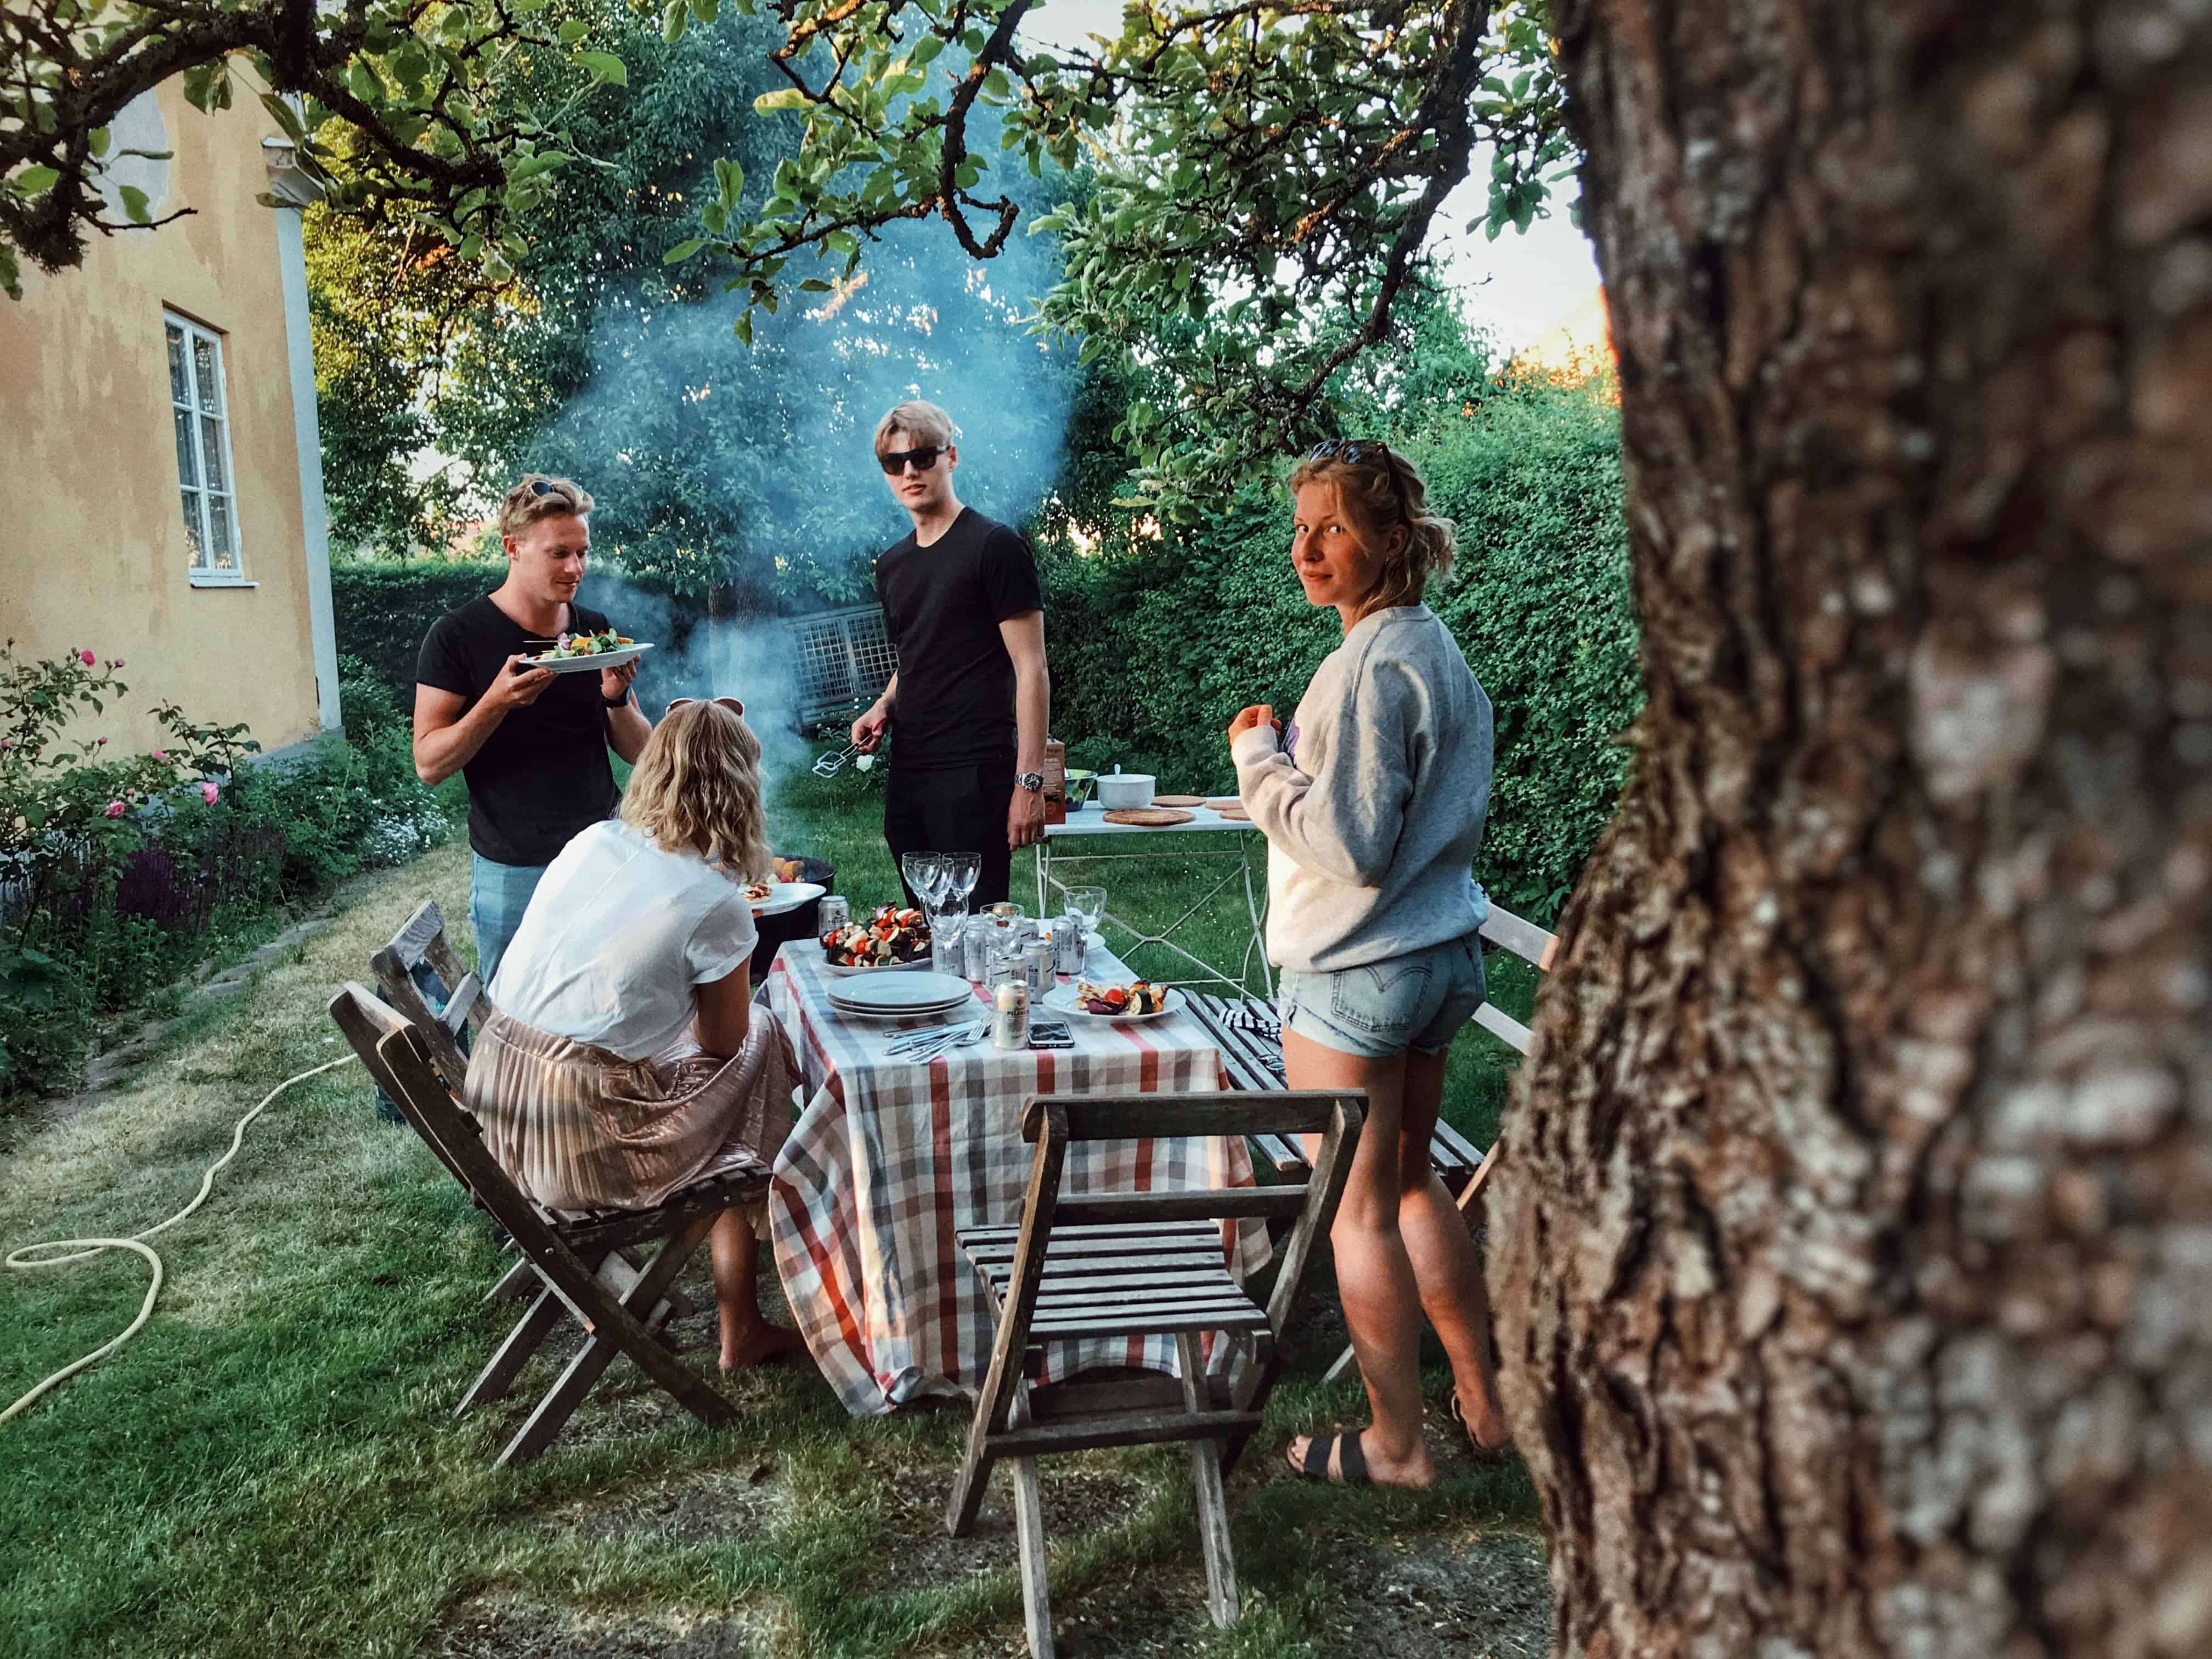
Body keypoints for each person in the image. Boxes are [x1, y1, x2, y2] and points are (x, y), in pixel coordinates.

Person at [1226, 438, 1511, 1486]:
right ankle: (1483, 1401)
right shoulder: (1438, 653)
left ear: (1394, 539)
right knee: (1410, 1182)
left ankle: (1396, 1445)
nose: (1306, 547)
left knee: (1354, 1207)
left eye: (1333, 526)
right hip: (1438, 959)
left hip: (1356, 971)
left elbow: (1347, 842)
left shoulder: (1360, 669)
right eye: (1300, 527)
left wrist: (1259, 762)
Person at [464, 698, 806, 1372]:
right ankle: (751, 1301)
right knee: (763, 1041)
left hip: (496, 1110)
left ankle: (746, 1294)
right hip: (575, 1142)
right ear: (741, 788)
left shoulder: (593, 840)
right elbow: (722, 1044)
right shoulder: (717, 904)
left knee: (733, 1072)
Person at [413, 474, 651, 986]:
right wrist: (495, 703)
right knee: (511, 1014)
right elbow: (429, 763)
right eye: (559, 553)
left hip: (600, 851)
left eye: (583, 553)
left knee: (607, 998)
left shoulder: (593, 630)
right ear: (513, 548)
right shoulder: (458, 637)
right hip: (513, 866)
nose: (576, 568)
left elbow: (639, 751)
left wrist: (614, 698)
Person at [848, 401, 1048, 909]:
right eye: (895, 464)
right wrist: (883, 706)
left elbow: (1032, 668)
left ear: (951, 457)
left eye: (922, 457)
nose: (910, 471)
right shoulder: (892, 565)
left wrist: (1030, 782)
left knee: (976, 934)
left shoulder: (995, 547)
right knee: (921, 932)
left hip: (976, 774)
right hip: (910, 774)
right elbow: (916, 654)